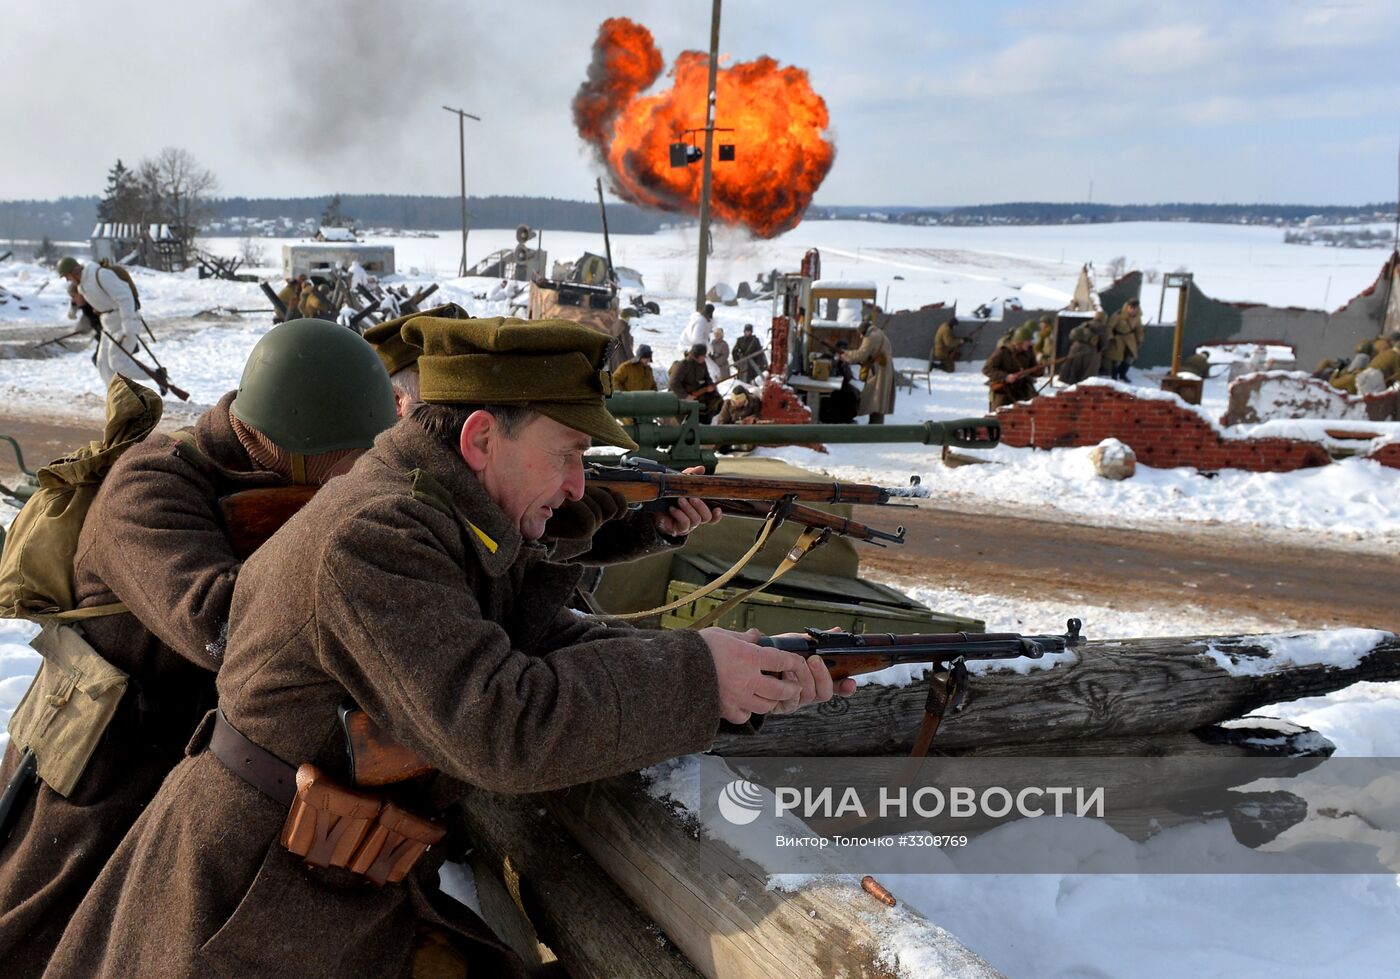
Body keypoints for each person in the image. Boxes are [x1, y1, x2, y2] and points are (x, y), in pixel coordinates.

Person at [45, 317, 851, 979]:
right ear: (478, 439)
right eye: (568, 455)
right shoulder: (379, 536)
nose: (579, 483)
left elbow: (542, 640)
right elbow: (503, 723)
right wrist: (697, 676)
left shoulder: (437, 518)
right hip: (246, 904)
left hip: (325, 888)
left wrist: (739, 676)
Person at [0, 320, 397, 974]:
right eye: (349, 462)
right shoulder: (150, 484)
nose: (356, 482)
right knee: (40, 934)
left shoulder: (273, 477)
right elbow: (221, 626)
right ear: (298, 445)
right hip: (100, 765)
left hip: (190, 757)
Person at [56, 256, 143, 386]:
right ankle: (118, 395)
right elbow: (77, 317)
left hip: (120, 326)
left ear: (74, 272)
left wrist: (127, 325)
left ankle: (156, 376)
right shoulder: (84, 288)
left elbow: (124, 298)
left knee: (117, 363)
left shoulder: (99, 276)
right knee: (102, 364)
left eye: (67, 276)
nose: (68, 280)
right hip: (108, 329)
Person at [840, 317, 895, 423]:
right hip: (883, 369)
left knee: (875, 398)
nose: (860, 337)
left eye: (861, 334)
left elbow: (860, 355)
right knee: (879, 399)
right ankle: (875, 425)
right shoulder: (878, 333)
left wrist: (845, 354)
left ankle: (875, 427)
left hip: (879, 371)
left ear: (864, 331)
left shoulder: (870, 337)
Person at [983, 324, 1039, 409]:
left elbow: (1034, 369)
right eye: (1028, 341)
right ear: (1019, 342)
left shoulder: (1029, 351)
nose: (1030, 343)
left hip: (1022, 391)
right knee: (999, 417)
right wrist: (1006, 377)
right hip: (1003, 391)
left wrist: (1039, 370)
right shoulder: (1003, 352)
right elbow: (987, 369)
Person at [669, 342, 723, 421]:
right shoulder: (683, 365)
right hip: (681, 396)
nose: (704, 358)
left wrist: (710, 386)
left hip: (698, 393)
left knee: (716, 401)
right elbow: (673, 383)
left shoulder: (702, 363)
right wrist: (685, 396)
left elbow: (707, 378)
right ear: (696, 355)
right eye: (703, 356)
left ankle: (706, 423)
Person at [1056, 314, 1103, 385]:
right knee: (1085, 371)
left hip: (1076, 346)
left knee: (1073, 367)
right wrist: (1099, 349)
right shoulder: (1101, 326)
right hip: (1089, 349)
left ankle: (1071, 383)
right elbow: (1104, 342)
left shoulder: (1085, 324)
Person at [1106, 298, 1145, 382]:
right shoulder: (1118, 315)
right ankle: (1114, 376)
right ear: (1127, 307)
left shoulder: (1137, 317)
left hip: (1130, 338)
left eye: (1135, 308)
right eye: (1131, 308)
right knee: (1117, 358)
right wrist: (1110, 337)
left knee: (1130, 357)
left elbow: (1139, 329)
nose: (1133, 310)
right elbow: (1109, 326)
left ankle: (1123, 374)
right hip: (1118, 338)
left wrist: (1139, 340)